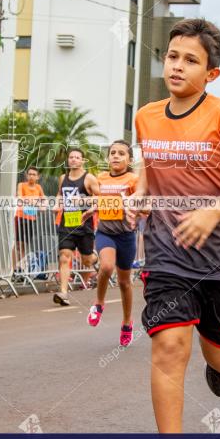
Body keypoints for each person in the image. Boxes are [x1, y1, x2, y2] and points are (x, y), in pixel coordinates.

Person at [131, 18, 220, 433]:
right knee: (169, 346)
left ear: (211, 73)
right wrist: (143, 190)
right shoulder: (146, 117)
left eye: (191, 60)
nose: (177, 66)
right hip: (167, 253)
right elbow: (153, 162)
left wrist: (212, 211)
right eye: (172, 56)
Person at [86, 140, 139, 347]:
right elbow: (99, 200)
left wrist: (136, 210)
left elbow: (143, 205)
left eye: (121, 153)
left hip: (126, 235)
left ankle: (127, 322)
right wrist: (93, 208)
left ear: (129, 159)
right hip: (106, 231)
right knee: (107, 266)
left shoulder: (133, 179)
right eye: (113, 153)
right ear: (108, 158)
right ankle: (99, 302)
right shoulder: (101, 177)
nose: (116, 156)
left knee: (125, 283)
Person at [52, 148, 98, 306]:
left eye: (77, 157)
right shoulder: (63, 178)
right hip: (67, 223)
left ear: (82, 161)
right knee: (64, 256)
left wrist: (90, 210)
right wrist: (57, 204)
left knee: (87, 261)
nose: (73, 159)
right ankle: (64, 293)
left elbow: (99, 198)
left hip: (84, 225)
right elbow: (60, 193)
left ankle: (95, 257)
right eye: (71, 157)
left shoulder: (89, 178)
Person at [11, 166, 46, 277]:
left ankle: (20, 270)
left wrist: (42, 205)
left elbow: (44, 201)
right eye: (29, 174)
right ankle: (14, 269)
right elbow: (20, 198)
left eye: (34, 174)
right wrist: (36, 203)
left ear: (38, 177)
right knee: (17, 244)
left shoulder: (39, 188)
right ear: (26, 175)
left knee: (24, 245)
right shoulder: (21, 185)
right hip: (20, 217)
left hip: (31, 219)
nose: (31, 176)